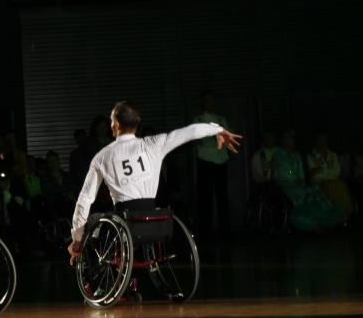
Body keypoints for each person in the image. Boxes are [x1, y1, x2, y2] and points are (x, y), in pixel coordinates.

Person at [68, 102, 242, 263]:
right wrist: (217, 129)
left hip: (124, 224)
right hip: (156, 221)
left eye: (112, 120)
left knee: (91, 221)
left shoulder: (102, 156)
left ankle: (97, 273)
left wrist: (76, 239)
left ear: (116, 125)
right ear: (136, 124)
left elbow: (85, 199)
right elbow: (190, 132)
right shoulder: (154, 143)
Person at [272, 131, 342, 232]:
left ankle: (326, 216)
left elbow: (301, 171)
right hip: (285, 184)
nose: (291, 141)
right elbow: (285, 171)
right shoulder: (278, 154)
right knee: (302, 194)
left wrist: (301, 178)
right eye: (288, 138)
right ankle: (308, 221)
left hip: (298, 183)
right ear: (283, 141)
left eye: (292, 138)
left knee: (315, 190)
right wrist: (295, 179)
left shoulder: (296, 155)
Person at [194, 93, 232, 237]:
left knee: (222, 197)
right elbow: (199, 140)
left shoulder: (221, 119)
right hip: (205, 161)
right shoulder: (197, 120)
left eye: (211, 100)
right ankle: (205, 233)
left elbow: (227, 137)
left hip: (221, 161)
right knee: (205, 197)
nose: (209, 103)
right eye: (206, 101)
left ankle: (225, 232)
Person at [307, 133, 354, 222]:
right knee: (333, 186)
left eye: (324, 140)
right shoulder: (311, 156)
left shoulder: (333, 155)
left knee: (341, 185)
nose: (323, 142)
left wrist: (321, 170)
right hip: (319, 183)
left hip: (334, 181)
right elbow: (315, 175)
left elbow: (337, 172)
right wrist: (327, 172)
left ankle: (345, 214)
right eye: (320, 140)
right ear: (316, 141)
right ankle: (339, 216)